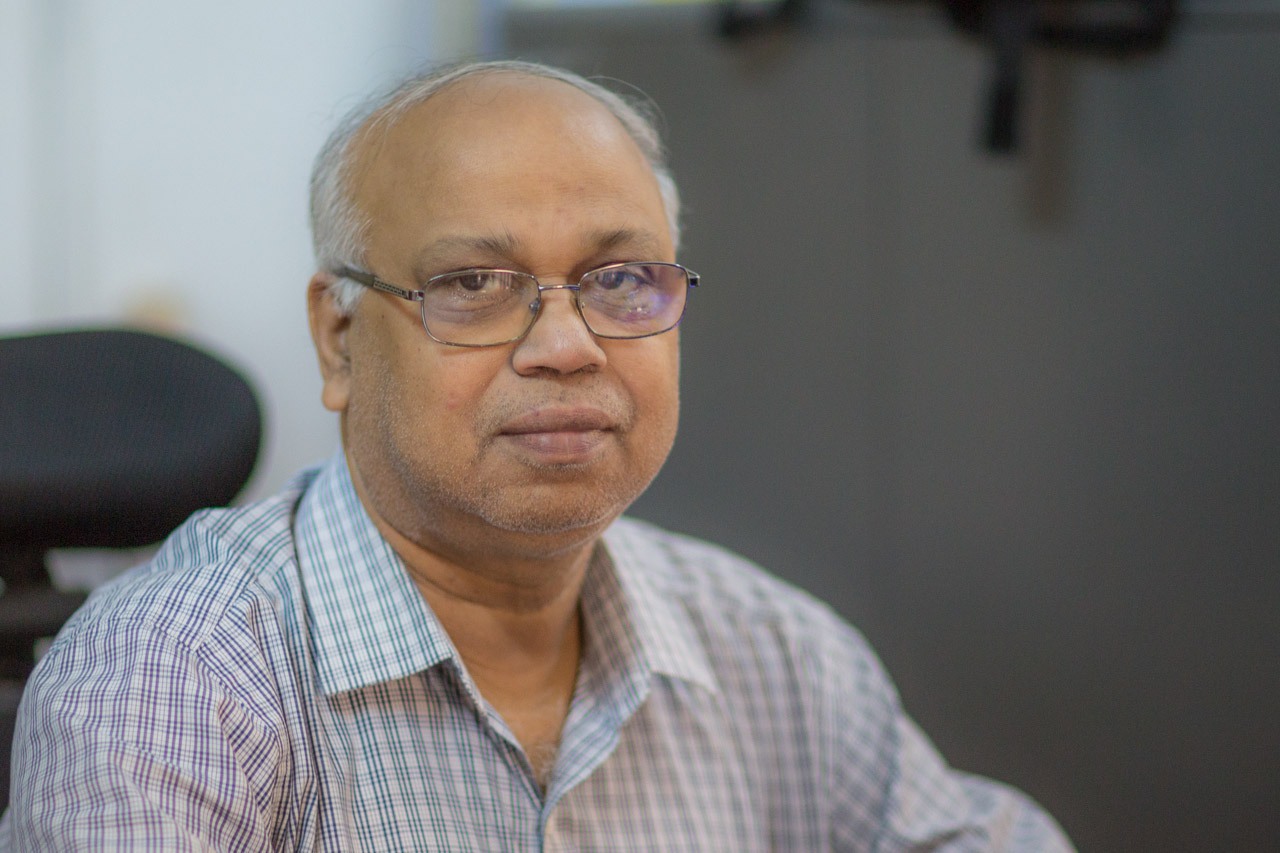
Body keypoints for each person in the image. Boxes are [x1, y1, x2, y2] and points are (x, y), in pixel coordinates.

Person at [1, 60, 1073, 851]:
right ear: (339, 339)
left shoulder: (774, 653)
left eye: (621, 281)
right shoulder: (178, 681)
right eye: (473, 284)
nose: (566, 346)